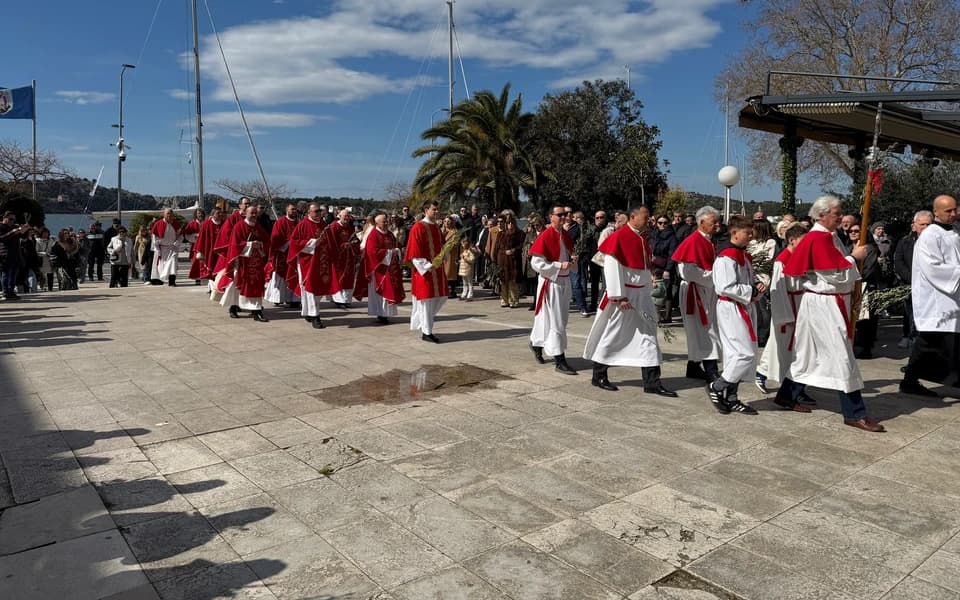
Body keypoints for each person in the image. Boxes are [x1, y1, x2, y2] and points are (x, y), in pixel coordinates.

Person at [783, 195, 884, 433]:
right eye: (837, 213)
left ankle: (787, 395)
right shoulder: (817, 239)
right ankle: (854, 413)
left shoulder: (829, 237)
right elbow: (833, 274)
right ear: (822, 215)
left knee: (807, 354)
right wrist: (854, 258)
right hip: (823, 303)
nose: (841, 217)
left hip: (825, 302)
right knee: (842, 357)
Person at [583, 205, 676, 396]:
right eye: (646, 215)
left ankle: (652, 381)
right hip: (625, 296)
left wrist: (649, 281)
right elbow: (611, 267)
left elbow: (641, 266)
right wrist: (619, 296)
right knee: (614, 334)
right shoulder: (619, 237)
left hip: (642, 295)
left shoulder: (642, 238)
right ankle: (598, 373)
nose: (649, 219)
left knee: (649, 336)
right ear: (633, 217)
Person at [899, 195, 960, 397]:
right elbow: (934, 268)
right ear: (936, 212)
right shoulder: (930, 236)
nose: (953, 214)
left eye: (955, 209)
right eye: (948, 211)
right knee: (929, 341)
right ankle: (909, 381)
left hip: (953, 297)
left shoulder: (956, 231)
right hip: (937, 298)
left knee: (949, 342)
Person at [705, 215, 764, 415]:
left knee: (735, 355)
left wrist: (756, 286)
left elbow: (748, 279)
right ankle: (717, 386)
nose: (751, 236)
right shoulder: (726, 257)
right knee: (743, 353)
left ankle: (732, 398)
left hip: (743, 306)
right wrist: (750, 291)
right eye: (748, 233)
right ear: (734, 233)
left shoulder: (742, 255)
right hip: (731, 308)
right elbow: (724, 286)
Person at [757, 224, 811, 412]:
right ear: (791, 240)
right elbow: (777, 290)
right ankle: (786, 387)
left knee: (796, 351)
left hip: (800, 303)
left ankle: (797, 387)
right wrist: (785, 316)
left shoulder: (799, 257)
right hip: (789, 308)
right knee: (785, 351)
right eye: (803, 242)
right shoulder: (782, 260)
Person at [671, 206, 722, 382]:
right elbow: (688, 272)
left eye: (718, 221)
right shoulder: (692, 241)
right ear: (701, 223)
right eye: (713, 222)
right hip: (696, 291)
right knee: (706, 330)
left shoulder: (710, 240)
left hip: (707, 290)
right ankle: (711, 369)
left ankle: (693, 366)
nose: (717, 225)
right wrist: (715, 276)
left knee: (703, 331)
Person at [529, 205, 577, 374]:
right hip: (552, 282)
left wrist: (572, 260)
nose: (564, 216)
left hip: (564, 281)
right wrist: (558, 265)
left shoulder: (565, 235)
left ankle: (536, 343)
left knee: (557, 319)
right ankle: (559, 359)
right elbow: (536, 263)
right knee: (556, 320)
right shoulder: (545, 236)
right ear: (551, 217)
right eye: (560, 214)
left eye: (566, 214)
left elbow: (567, 255)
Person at [287, 202, 338, 329]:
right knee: (310, 288)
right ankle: (315, 316)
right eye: (315, 211)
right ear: (309, 212)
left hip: (322, 262)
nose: (318, 214)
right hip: (307, 262)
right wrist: (313, 243)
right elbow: (294, 243)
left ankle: (307, 312)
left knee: (318, 289)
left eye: (319, 211)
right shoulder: (303, 225)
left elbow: (331, 243)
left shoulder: (324, 225)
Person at [405, 201, 448, 343]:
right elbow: (414, 250)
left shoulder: (436, 227)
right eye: (434, 209)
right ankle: (427, 331)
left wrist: (445, 254)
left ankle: (424, 323)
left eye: (438, 209)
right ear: (426, 210)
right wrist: (426, 266)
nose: (437, 212)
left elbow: (442, 245)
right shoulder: (418, 227)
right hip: (425, 271)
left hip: (437, 270)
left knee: (440, 298)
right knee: (426, 302)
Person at [354, 211, 405, 324]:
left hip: (390, 268)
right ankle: (380, 313)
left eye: (387, 221)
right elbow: (372, 252)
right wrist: (390, 252)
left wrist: (397, 252)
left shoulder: (390, 234)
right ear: (377, 223)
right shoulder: (373, 235)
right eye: (384, 221)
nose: (386, 223)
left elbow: (397, 246)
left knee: (390, 289)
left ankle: (386, 313)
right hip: (378, 269)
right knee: (381, 293)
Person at [223, 205, 271, 322]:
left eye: (255, 213)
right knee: (236, 285)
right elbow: (234, 245)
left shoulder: (259, 227)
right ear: (245, 214)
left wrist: (260, 245)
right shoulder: (239, 227)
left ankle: (257, 310)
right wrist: (249, 245)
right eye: (252, 213)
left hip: (256, 261)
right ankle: (233, 307)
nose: (254, 215)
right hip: (242, 262)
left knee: (256, 284)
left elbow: (266, 242)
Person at [893, 210, 933, 349]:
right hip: (910, 285)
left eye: (929, 224)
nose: (926, 228)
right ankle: (908, 336)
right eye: (922, 224)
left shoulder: (938, 242)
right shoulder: (905, 242)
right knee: (910, 314)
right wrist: (913, 279)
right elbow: (899, 262)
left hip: (931, 288)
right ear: (914, 226)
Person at [264, 203, 299, 306]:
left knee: (294, 275)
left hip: (294, 255)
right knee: (280, 276)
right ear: (286, 210)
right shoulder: (280, 222)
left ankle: (293, 299)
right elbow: (275, 238)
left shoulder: (298, 223)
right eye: (292, 209)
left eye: (295, 210)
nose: (294, 211)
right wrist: (287, 242)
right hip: (282, 253)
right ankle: (278, 298)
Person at [327, 209, 360, 309]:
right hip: (338, 257)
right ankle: (338, 300)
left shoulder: (349, 228)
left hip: (349, 257)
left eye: (348, 216)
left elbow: (354, 239)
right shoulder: (334, 227)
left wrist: (354, 244)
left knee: (348, 278)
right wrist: (343, 245)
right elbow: (331, 242)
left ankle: (346, 300)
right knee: (339, 278)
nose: (346, 218)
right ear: (339, 216)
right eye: (345, 216)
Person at [651, 214, 679, 323]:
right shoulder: (654, 234)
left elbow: (672, 255)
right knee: (655, 290)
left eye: (665, 223)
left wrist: (667, 270)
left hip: (666, 266)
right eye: (660, 223)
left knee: (667, 291)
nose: (662, 225)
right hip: (654, 266)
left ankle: (668, 317)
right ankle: (656, 315)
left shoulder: (672, 237)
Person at [189, 206, 224, 289]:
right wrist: (200, 251)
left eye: (220, 213)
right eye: (218, 213)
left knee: (219, 269)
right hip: (209, 250)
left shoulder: (224, 223)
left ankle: (214, 287)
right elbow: (201, 238)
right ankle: (212, 288)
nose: (220, 215)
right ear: (213, 214)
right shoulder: (206, 224)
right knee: (211, 270)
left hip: (220, 251)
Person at [494, 216, 524, 308]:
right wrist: (494, 260)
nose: (510, 225)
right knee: (503, 281)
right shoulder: (501, 234)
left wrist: (513, 250)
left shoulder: (520, 234)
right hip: (502, 260)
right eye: (508, 223)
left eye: (511, 223)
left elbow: (522, 246)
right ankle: (504, 299)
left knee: (512, 281)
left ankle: (513, 300)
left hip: (513, 261)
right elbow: (496, 248)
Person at [150, 209, 182, 286]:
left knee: (173, 264)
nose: (169, 215)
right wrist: (157, 248)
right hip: (162, 249)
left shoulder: (176, 224)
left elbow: (181, 235)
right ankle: (157, 280)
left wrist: (177, 243)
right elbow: (154, 237)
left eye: (171, 213)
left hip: (172, 248)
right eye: (168, 213)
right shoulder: (158, 224)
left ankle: (172, 281)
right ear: (164, 214)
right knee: (161, 266)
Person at [0, 213, 28, 300]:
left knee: (13, 274)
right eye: (10, 219)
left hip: (16, 254)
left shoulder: (14, 227)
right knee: (6, 274)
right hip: (5, 254)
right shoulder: (1, 227)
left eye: (13, 219)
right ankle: (5, 292)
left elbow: (23, 237)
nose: (12, 221)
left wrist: (24, 230)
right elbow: (2, 238)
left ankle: (11, 292)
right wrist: (13, 232)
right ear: (4, 218)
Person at [522, 215, 546, 308]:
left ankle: (542, 302)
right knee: (535, 283)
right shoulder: (530, 233)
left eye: (537, 225)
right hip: (532, 261)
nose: (536, 227)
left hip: (543, 261)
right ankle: (535, 302)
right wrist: (528, 247)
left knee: (542, 282)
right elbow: (525, 244)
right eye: (534, 225)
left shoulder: (545, 233)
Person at [181, 209, 205, 285]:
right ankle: (197, 278)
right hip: (195, 246)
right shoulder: (192, 224)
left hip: (205, 246)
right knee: (195, 263)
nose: (200, 215)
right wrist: (195, 236)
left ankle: (204, 277)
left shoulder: (206, 223)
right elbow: (187, 235)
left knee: (205, 262)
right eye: (198, 213)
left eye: (201, 213)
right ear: (195, 214)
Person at [441, 216, 460, 299]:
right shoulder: (441, 231)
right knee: (443, 273)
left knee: (450, 273)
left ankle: (452, 291)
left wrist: (447, 246)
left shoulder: (455, 232)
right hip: (442, 255)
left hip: (451, 255)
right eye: (445, 221)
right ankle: (444, 290)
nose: (446, 223)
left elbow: (456, 243)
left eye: (448, 221)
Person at [35, 227, 54, 292]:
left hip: (50, 259)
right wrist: (45, 253)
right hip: (41, 259)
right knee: (42, 274)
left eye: (47, 233)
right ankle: (43, 287)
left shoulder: (51, 240)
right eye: (44, 233)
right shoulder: (37, 241)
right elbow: (36, 251)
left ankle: (50, 288)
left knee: (51, 273)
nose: (46, 234)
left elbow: (53, 248)